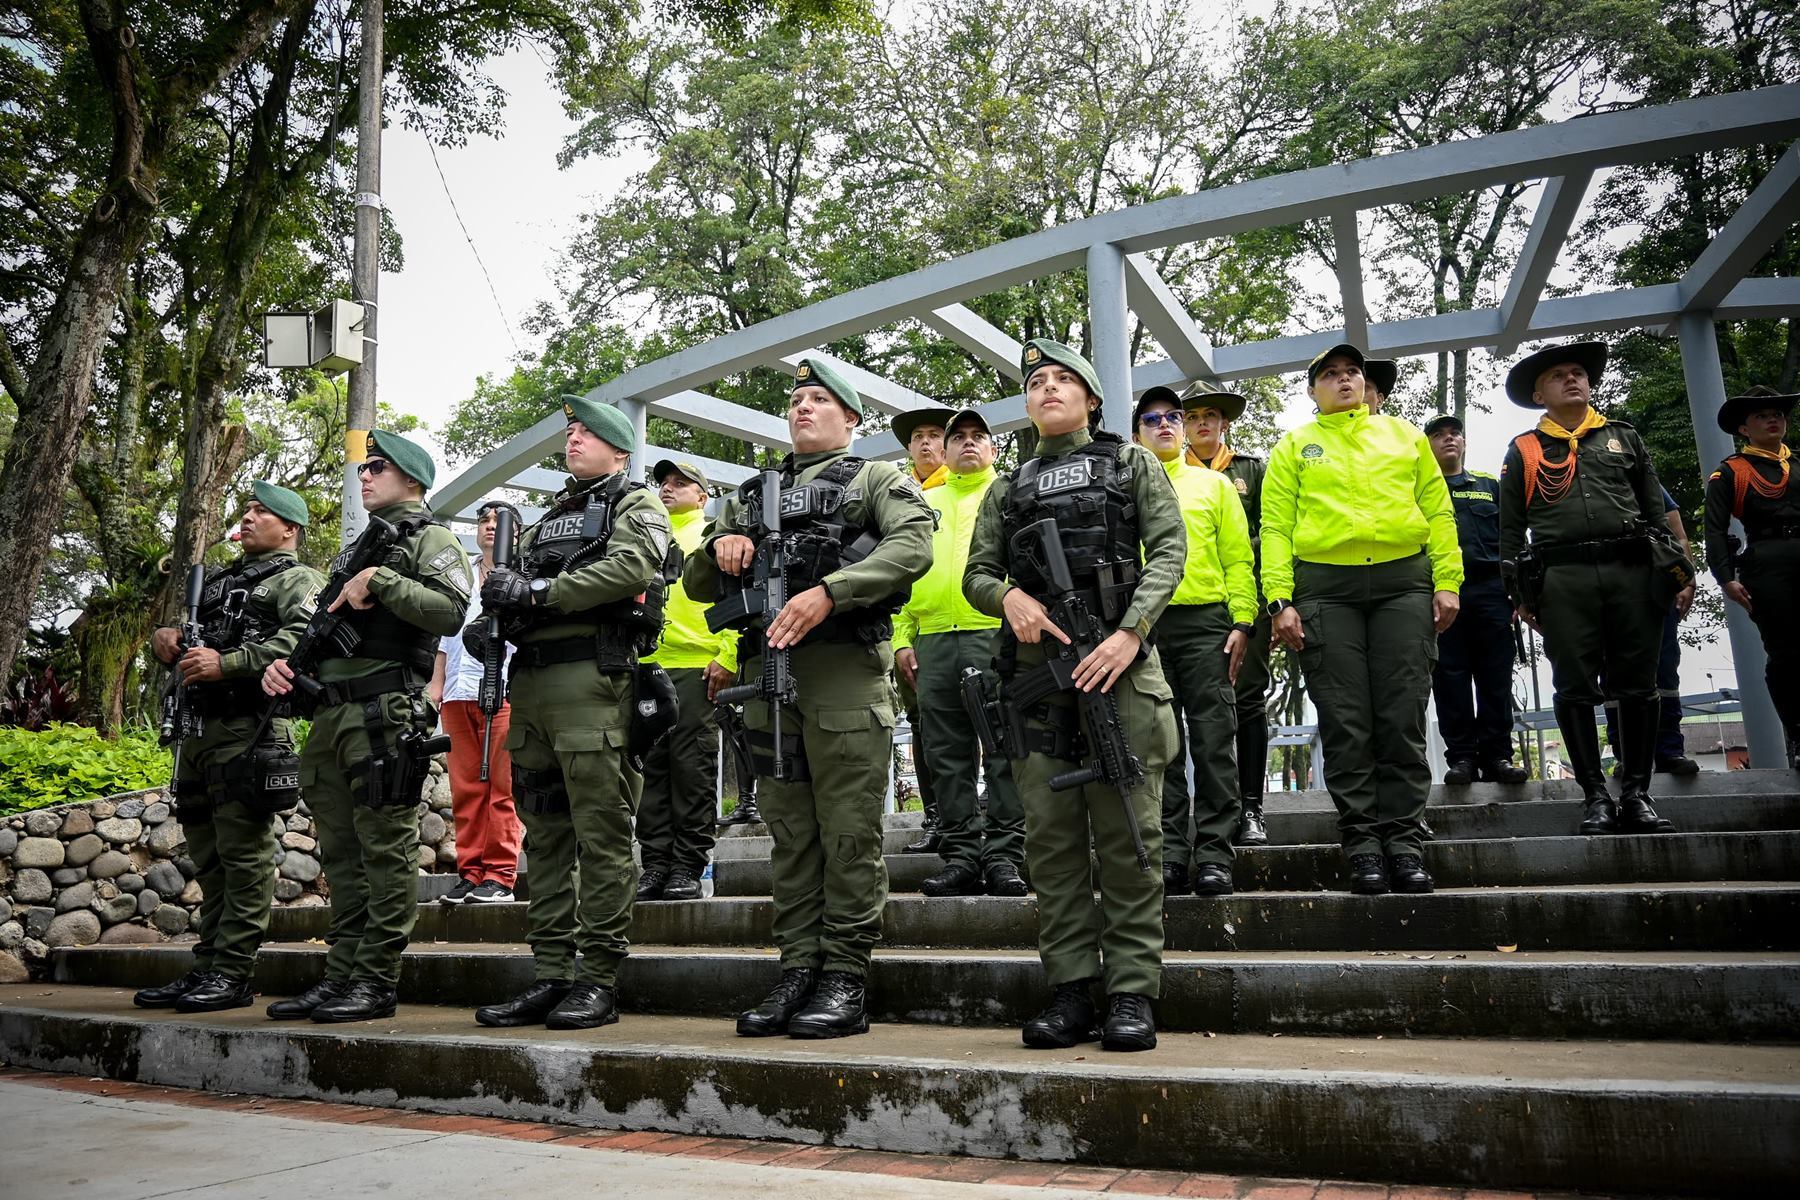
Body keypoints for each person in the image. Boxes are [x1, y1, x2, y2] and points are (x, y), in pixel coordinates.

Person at [685, 357, 934, 1039]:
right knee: (791, 834)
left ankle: (845, 976)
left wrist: (833, 592)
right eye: (796, 400)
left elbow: (915, 546)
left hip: (843, 669)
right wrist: (721, 546)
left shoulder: (876, 478)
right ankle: (799, 967)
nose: (802, 408)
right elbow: (698, 583)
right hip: (769, 675)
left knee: (849, 832)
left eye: (819, 400)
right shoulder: (750, 494)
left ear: (851, 419)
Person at [964, 338, 1183, 1052]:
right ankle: (1070, 990)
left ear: (1091, 399)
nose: (1048, 389)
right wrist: (1008, 599)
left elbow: (1170, 551)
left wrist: (1129, 634)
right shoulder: (1007, 485)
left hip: (1118, 667)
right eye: (1036, 382)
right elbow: (977, 572)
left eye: (1064, 380)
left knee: (1127, 835)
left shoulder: (1131, 461)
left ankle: (1130, 992)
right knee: (1053, 844)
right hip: (1038, 679)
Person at [469, 396, 673, 1030]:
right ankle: (552, 972)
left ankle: (597, 977)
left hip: (595, 683)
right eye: (571, 432)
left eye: (588, 433)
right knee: (547, 834)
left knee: (603, 834)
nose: (574, 440)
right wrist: (491, 621)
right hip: (531, 687)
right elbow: (508, 586)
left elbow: (635, 566)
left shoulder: (633, 502)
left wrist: (537, 591)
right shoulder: (542, 521)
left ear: (620, 449)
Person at [262, 432, 471, 1022]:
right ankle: (343, 971)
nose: (365, 476)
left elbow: (452, 610)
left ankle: (377, 978)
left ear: (411, 478)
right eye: (362, 468)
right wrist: (288, 666)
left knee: (385, 850)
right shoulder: (361, 546)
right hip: (333, 715)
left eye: (376, 467)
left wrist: (381, 582)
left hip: (384, 713)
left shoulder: (431, 539)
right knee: (343, 854)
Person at [1262, 344, 1462, 896]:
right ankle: (1364, 846)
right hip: (1326, 590)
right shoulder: (1294, 446)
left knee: (1400, 715)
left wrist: (1448, 581)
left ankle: (1403, 842)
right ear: (1312, 390)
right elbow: (1276, 528)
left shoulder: (1404, 436)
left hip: (1404, 583)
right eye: (1330, 373)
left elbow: (1438, 510)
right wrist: (1280, 599)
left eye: (1352, 372)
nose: (1344, 380)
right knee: (1346, 722)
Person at [134, 483, 324, 1013]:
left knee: (244, 856)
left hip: (251, 728)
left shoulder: (297, 579)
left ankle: (233, 972)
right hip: (198, 729)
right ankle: (208, 966)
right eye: (246, 509)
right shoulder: (218, 582)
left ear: (290, 528)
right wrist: (165, 639)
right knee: (209, 858)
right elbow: (194, 640)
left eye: (262, 511)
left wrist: (231, 663)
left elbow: (308, 640)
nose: (248, 516)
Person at [1498, 340, 1678, 836]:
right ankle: (1595, 795)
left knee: (1640, 685)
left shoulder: (1623, 437)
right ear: (1539, 394)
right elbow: (1510, 534)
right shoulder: (1524, 450)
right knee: (1574, 689)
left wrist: (1672, 571)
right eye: (1558, 376)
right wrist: (1521, 597)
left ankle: (1638, 793)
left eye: (1578, 372)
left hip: (1631, 572)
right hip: (1564, 578)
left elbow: (1655, 513)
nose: (1572, 379)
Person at [897, 409, 1028, 899]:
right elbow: (900, 576)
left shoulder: (1012, 495)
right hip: (930, 640)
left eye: (979, 437)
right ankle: (960, 856)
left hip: (993, 634)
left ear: (993, 449)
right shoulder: (920, 502)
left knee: (1003, 750)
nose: (968, 444)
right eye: (959, 438)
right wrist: (901, 639)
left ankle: (1005, 856)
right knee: (944, 754)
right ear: (945, 452)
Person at [1136, 386, 1255, 896]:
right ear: (1138, 431)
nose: (1164, 425)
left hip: (1207, 623)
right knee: (1160, 747)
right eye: (1152, 418)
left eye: (1173, 418)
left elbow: (1238, 557)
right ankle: (1172, 856)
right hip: (1145, 630)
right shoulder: (1126, 490)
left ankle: (1214, 854)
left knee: (1212, 742)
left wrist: (1243, 621)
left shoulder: (1215, 485)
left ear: (1183, 428)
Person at [638, 458, 738, 900]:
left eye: (681, 483)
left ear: (703, 494)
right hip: (644, 667)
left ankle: (689, 866)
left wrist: (728, 654)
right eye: (663, 483)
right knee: (651, 772)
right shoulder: (646, 535)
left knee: (692, 768)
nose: (668, 489)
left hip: (698, 667)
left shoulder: (713, 535)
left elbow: (735, 596)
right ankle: (655, 864)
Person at [1184, 382, 1272, 843]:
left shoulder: (1251, 470)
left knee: (1248, 699)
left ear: (1224, 423)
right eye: (1193, 415)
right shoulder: (1164, 472)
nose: (1201, 422)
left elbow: (1271, 530)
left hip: (1243, 598)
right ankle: (1187, 815)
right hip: (1188, 605)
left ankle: (1251, 807)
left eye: (1210, 415)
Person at [1424, 415, 1527, 786]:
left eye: (1454, 434)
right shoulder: (1416, 490)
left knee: (1495, 677)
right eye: (1438, 435)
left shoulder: (1488, 485)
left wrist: (1518, 593)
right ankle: (1463, 758)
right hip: (1439, 594)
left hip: (1491, 592)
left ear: (1464, 443)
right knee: (1449, 678)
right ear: (1427, 446)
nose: (1448, 439)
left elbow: (1513, 539)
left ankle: (1498, 756)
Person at [429, 500, 523, 905]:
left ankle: (500, 875)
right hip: (457, 692)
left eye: (499, 522)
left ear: (514, 534)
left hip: (504, 691)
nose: (489, 527)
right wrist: (435, 683)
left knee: (502, 787)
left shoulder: (525, 574)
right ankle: (470, 873)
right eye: (482, 520)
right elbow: (446, 635)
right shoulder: (461, 573)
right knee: (466, 788)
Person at [1706, 385, 1800, 767]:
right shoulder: (1731, 471)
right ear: (1744, 429)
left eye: (1777, 413)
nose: (1773, 419)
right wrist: (1725, 576)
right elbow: (1714, 529)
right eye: (1762, 415)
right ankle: (1797, 731)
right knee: (1786, 653)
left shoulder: (1799, 463)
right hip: (1767, 564)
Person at [893, 406, 954, 854]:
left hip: (973, 629)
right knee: (924, 730)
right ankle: (936, 818)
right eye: (919, 437)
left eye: (936, 435)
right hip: (916, 635)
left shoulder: (969, 486)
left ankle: (990, 816)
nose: (928, 443)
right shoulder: (894, 495)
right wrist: (899, 640)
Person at [1605, 488, 1700, 776]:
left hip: (1656, 584)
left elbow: (1678, 533)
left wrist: (1688, 580)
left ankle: (1669, 751)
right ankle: (1627, 755)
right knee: (1613, 674)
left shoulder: (1644, 479)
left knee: (1664, 670)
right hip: (1607, 588)